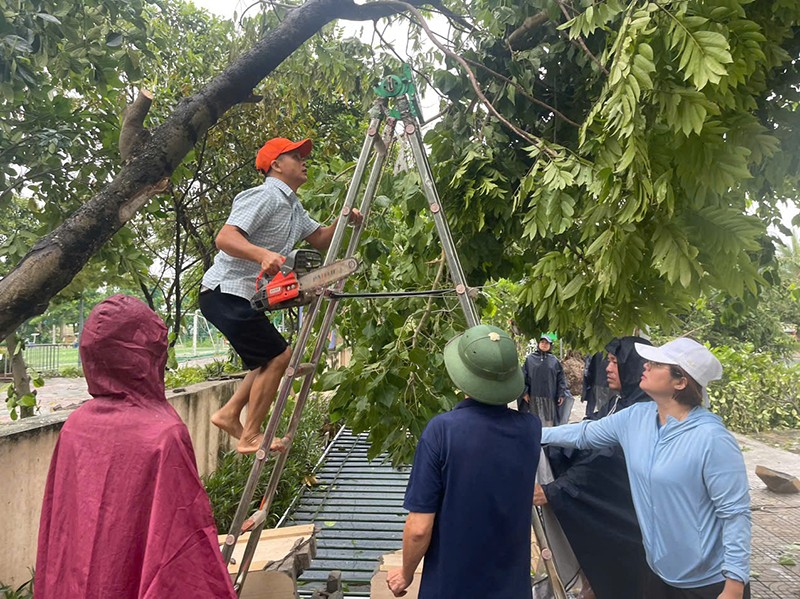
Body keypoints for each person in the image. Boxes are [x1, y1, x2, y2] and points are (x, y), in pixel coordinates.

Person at [35, 295, 236, 599]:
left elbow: (60, 533)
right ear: (149, 355)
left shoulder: (76, 426)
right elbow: (180, 551)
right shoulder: (162, 433)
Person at [541, 338, 751, 599]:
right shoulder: (636, 417)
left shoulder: (712, 439)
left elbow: (735, 514)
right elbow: (585, 434)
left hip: (708, 583)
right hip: (658, 573)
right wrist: (532, 433)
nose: (646, 366)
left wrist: (734, 585)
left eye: (656, 364)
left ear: (680, 381)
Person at [199, 137, 362, 454]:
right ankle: (250, 436)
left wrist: (345, 219)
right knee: (279, 357)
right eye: (296, 156)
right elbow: (225, 237)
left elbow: (320, 240)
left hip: (241, 296)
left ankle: (229, 413)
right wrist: (262, 255)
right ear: (276, 164)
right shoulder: (263, 196)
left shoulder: (293, 206)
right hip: (224, 291)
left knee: (266, 359)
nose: (304, 161)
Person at [386, 325, 542, 598]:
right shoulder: (531, 429)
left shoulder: (442, 431)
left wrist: (406, 573)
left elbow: (419, 529)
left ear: (462, 378)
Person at [535, 336, 652, 599]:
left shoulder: (645, 411)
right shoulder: (618, 403)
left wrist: (558, 489)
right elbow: (586, 434)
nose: (607, 369)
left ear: (633, 367)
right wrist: (541, 437)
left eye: (614, 362)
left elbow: (606, 463)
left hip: (627, 520)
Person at [519, 333, 567, 426]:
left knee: (549, 420)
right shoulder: (530, 359)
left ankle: (547, 439)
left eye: (547, 343)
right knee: (534, 420)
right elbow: (523, 376)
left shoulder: (554, 361)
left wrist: (561, 394)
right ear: (538, 344)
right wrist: (524, 392)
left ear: (550, 345)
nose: (544, 344)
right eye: (542, 342)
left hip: (549, 396)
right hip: (533, 396)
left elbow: (561, 379)